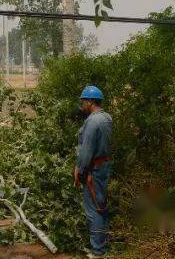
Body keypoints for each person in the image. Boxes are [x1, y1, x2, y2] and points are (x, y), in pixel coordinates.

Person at [75, 85, 113, 257]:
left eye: (83, 101)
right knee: (102, 205)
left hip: (93, 169)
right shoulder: (107, 118)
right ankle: (103, 242)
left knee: (93, 210)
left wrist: (80, 170)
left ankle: (98, 250)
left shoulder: (92, 121)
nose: (82, 104)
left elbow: (86, 151)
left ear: (90, 102)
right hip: (103, 166)